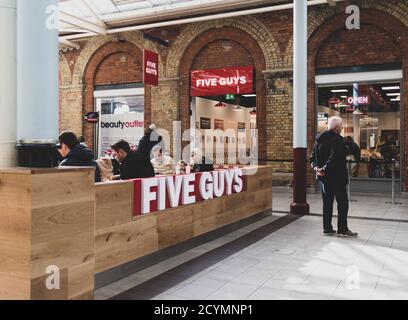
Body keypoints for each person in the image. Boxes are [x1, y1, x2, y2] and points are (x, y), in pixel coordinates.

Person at [310, 116, 358, 237]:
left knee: (327, 203)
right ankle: (342, 229)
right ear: (337, 128)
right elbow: (335, 158)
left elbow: (312, 158)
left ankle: (327, 228)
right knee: (342, 204)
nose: (342, 128)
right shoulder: (338, 140)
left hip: (324, 178)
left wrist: (317, 168)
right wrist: (324, 169)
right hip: (337, 178)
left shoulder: (318, 139)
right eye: (341, 126)